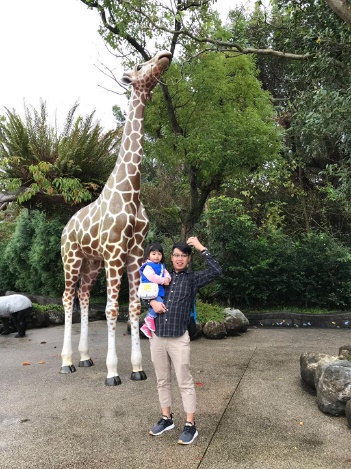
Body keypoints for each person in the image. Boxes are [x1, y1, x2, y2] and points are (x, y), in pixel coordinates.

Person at [148, 236, 222, 445]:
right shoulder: (161, 275)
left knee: (184, 381)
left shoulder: (193, 279)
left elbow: (217, 270)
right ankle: (166, 418)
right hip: (157, 336)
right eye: (176, 255)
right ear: (170, 257)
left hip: (179, 337)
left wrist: (200, 247)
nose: (179, 259)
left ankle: (190, 424)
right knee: (162, 380)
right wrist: (151, 301)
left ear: (188, 259)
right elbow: (143, 290)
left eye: (183, 256)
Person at [139, 242, 171, 338]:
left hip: (157, 289)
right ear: (148, 255)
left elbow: (166, 273)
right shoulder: (148, 266)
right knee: (160, 304)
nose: (157, 256)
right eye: (154, 254)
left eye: (159, 254)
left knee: (159, 303)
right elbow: (151, 276)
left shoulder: (161, 265)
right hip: (150, 289)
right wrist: (162, 281)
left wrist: (168, 279)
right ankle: (149, 317)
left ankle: (146, 327)